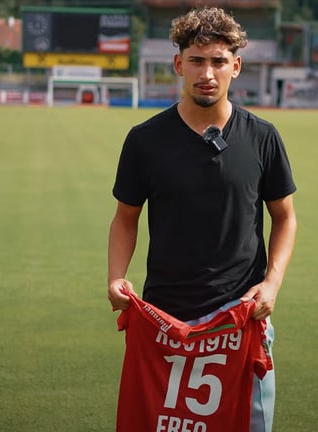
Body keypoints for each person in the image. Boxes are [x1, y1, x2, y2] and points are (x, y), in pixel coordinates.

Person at [107, 7, 297, 432]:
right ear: (179, 64)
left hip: (241, 319)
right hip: (165, 321)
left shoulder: (263, 137)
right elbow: (125, 218)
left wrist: (272, 283)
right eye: (196, 60)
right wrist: (115, 276)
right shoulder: (144, 141)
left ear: (236, 66)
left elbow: (285, 218)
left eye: (218, 61)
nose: (207, 72)